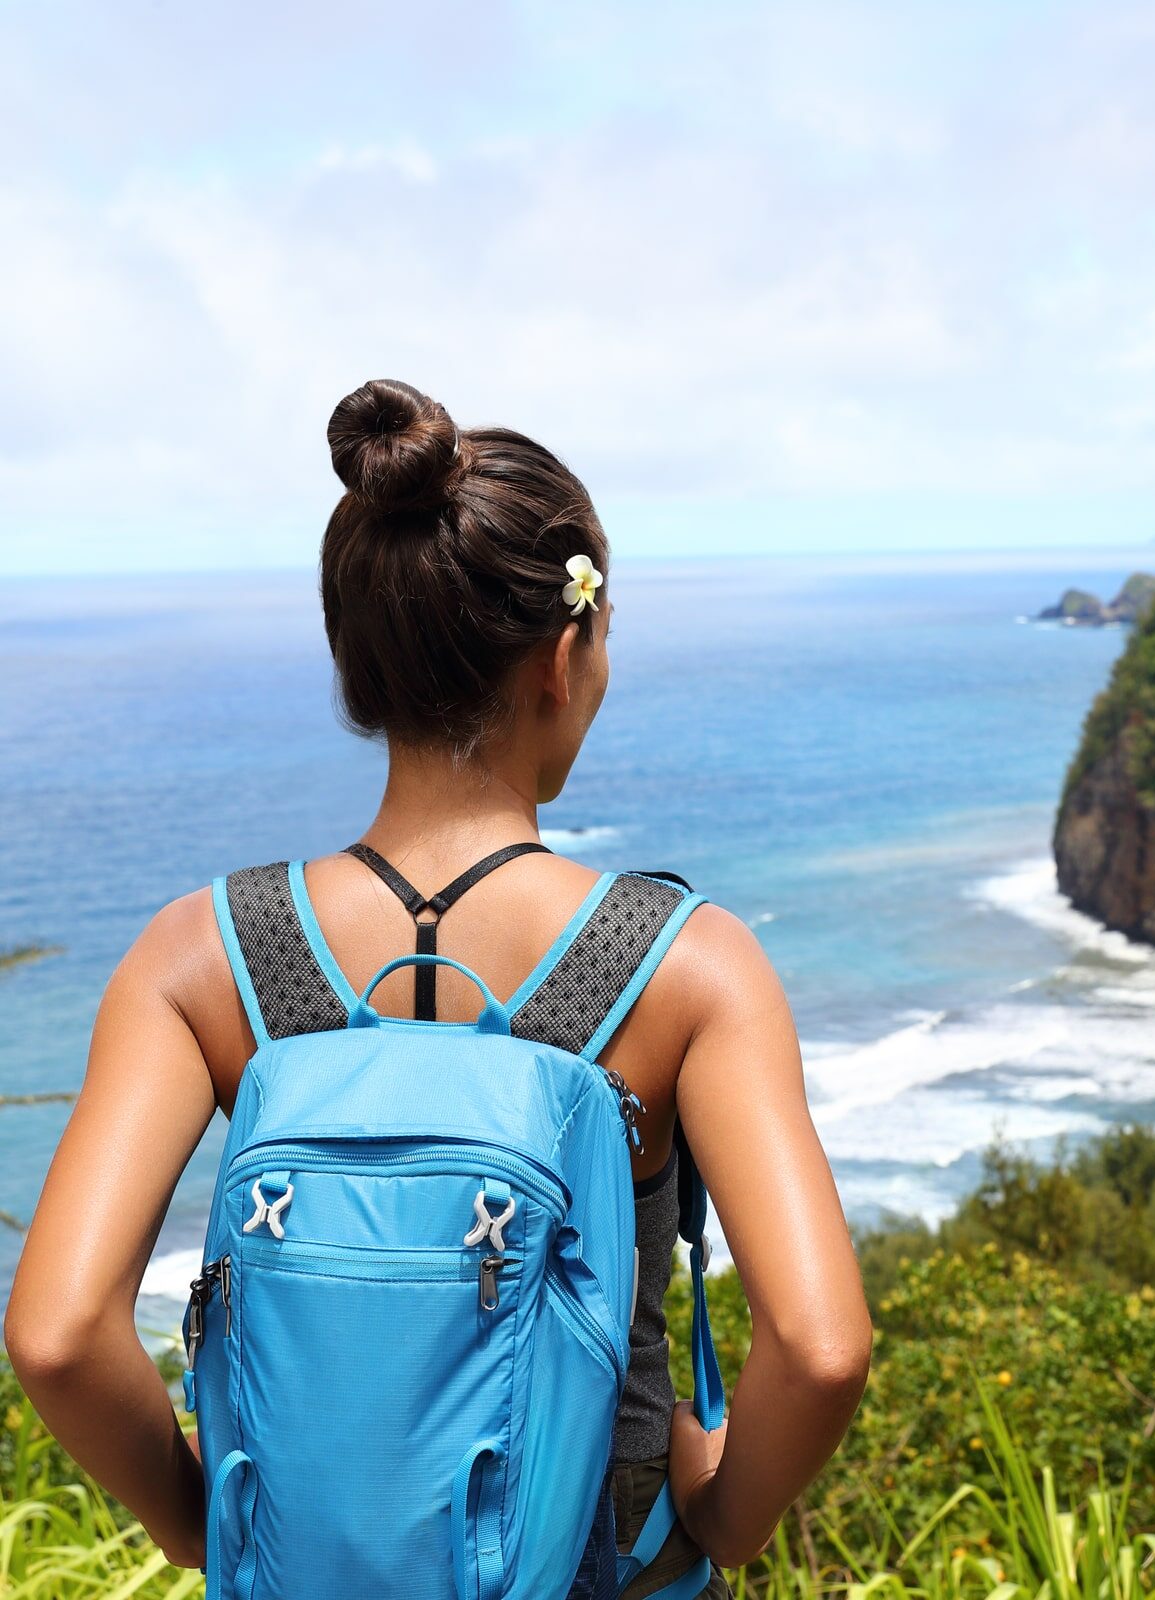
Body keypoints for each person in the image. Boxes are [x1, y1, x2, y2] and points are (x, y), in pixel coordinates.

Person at [4, 378, 874, 1596]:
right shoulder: (685, 963)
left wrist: (205, 1530)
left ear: (357, 664)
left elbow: (54, 1333)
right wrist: (717, 1521)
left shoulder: (200, 955)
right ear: (563, 658)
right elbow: (822, 1349)